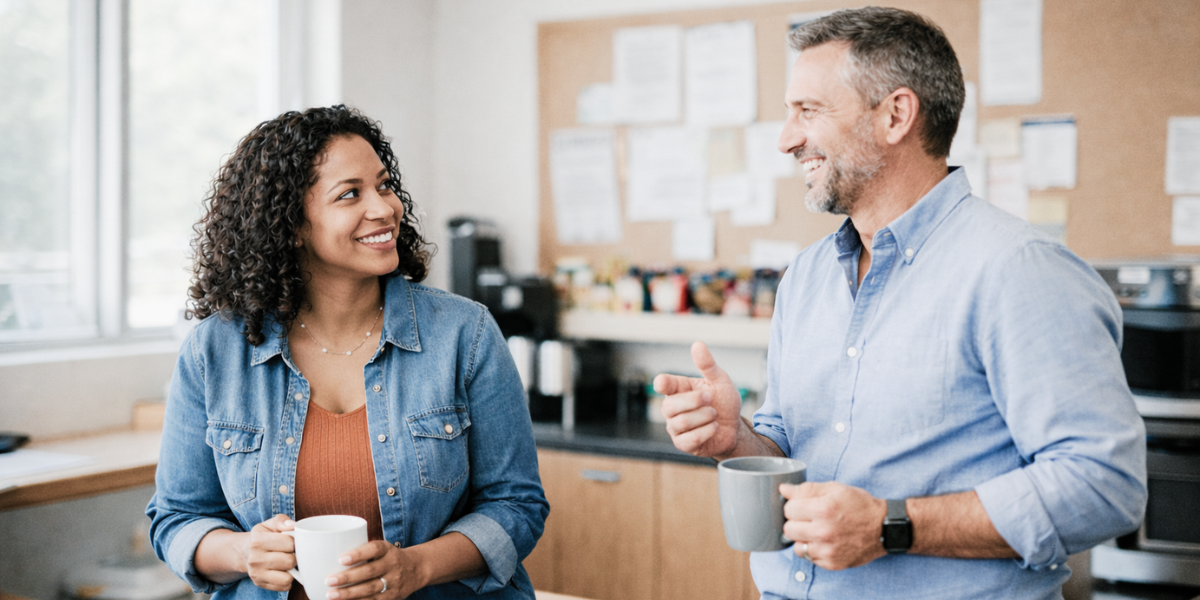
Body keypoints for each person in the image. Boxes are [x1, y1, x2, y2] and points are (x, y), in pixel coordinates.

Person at [654, 7, 1146, 599]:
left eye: (808, 111)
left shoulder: (1019, 270)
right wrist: (738, 441)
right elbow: (791, 445)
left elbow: (1104, 487)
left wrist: (892, 526)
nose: (787, 139)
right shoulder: (806, 277)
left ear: (895, 115)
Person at [146, 105, 548, 600]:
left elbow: (516, 504)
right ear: (291, 224)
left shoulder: (466, 334)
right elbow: (177, 518)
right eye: (349, 194)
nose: (384, 208)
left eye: (383, 185)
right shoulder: (214, 351)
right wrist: (241, 552)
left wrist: (416, 568)